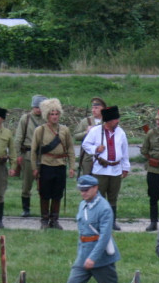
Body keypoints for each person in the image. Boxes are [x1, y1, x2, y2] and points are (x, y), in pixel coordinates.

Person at [43, 175, 122, 283]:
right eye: (81, 190)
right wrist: (82, 256)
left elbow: (104, 236)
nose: (83, 193)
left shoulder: (104, 208)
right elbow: (82, 233)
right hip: (83, 255)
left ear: (95, 188)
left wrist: (93, 258)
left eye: (86, 190)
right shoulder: (83, 205)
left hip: (101, 258)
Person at [83, 105, 130, 230]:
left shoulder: (121, 132)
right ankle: (98, 222)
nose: (117, 121)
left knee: (113, 197)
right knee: (99, 197)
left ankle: (112, 222)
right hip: (100, 169)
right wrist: (95, 149)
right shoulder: (95, 131)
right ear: (108, 121)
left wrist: (125, 167)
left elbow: (124, 151)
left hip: (115, 170)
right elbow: (85, 144)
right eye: (115, 119)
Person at [31, 98, 75, 230]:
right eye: (52, 114)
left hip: (60, 166)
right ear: (46, 115)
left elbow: (70, 149)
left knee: (57, 194)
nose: (55, 117)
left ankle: (54, 220)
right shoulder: (40, 130)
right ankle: (44, 220)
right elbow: (34, 151)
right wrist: (34, 168)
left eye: (56, 114)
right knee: (45, 194)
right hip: (45, 165)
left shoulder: (65, 130)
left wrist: (72, 166)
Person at [12, 95, 47, 218]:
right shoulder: (25, 119)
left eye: (40, 107)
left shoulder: (47, 118)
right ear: (32, 107)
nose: (38, 110)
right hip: (27, 154)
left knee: (44, 184)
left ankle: (44, 209)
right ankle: (25, 209)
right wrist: (17, 155)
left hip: (44, 155)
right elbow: (18, 138)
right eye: (36, 107)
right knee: (26, 184)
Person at [74, 97, 105, 176]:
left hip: (104, 156)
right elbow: (76, 136)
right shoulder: (86, 121)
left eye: (96, 108)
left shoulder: (107, 121)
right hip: (88, 157)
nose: (93, 110)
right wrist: (86, 132)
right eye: (92, 108)